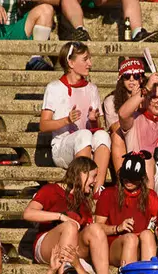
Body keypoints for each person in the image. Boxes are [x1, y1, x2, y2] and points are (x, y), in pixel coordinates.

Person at [23, 157, 116, 274]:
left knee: (96, 228)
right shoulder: (51, 189)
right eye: (93, 176)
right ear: (82, 174)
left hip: (72, 247)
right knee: (70, 226)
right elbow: (28, 213)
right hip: (46, 244)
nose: (95, 182)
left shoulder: (83, 200)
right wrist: (60, 217)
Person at [40, 42, 111, 189]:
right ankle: (82, 189)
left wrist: (93, 120)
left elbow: (96, 128)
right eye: (85, 59)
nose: (90, 63)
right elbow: (44, 125)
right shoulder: (54, 88)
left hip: (86, 143)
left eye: (89, 59)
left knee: (103, 135)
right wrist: (67, 120)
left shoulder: (92, 89)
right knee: (83, 135)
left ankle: (98, 190)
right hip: (62, 147)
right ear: (71, 63)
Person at [105, 58, 147, 172]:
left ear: (142, 78)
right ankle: (122, 179)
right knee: (116, 136)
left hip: (144, 138)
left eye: (136, 76)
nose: (132, 80)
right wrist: (133, 102)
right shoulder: (111, 100)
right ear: (121, 79)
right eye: (127, 76)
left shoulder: (149, 97)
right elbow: (115, 128)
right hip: (123, 140)